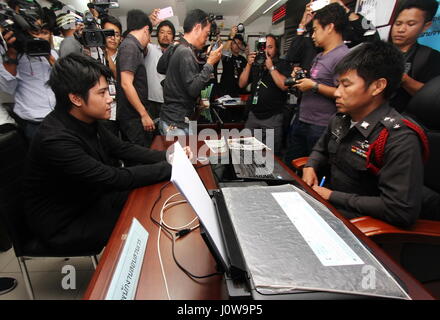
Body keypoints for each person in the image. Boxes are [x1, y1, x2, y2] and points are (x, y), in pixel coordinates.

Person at [23, 53, 191, 252]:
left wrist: (168, 156)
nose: (110, 98)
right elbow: (113, 178)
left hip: (89, 199)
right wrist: (170, 167)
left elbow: (122, 148)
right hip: (64, 222)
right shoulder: (55, 139)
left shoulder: (85, 119)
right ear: (76, 98)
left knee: (152, 199)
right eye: (101, 93)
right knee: (146, 220)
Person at [302, 40, 427, 228]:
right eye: (338, 85)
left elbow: (400, 210)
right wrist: (310, 166)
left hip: (361, 226)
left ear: (377, 86)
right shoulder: (341, 119)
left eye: (346, 85)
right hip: (328, 210)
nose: (337, 93)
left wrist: (331, 196)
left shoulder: (398, 138)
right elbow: (321, 149)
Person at [284, 3, 349, 163]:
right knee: (292, 166)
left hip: (321, 126)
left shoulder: (343, 56)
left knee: (313, 171)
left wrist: (313, 86)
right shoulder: (319, 55)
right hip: (302, 119)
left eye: (315, 29)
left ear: (329, 28)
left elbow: (344, 94)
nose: (312, 35)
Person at [158, 9, 223, 136]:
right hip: (177, 123)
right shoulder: (185, 52)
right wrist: (210, 63)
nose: (206, 39)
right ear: (197, 28)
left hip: (171, 118)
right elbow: (193, 89)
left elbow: (160, 68)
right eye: (206, 33)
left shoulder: (177, 47)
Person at [1, 1, 58, 141]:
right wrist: (13, 56)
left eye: (44, 33)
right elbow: (9, 88)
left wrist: (48, 56)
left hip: (58, 119)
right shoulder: (14, 56)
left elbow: (65, 78)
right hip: (33, 124)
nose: (39, 36)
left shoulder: (53, 54)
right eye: (34, 32)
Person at [238, 35, 290, 154]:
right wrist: (249, 64)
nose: (266, 50)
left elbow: (284, 85)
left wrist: (271, 67)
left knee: (270, 157)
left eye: (270, 47)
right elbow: (241, 84)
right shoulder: (256, 64)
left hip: (272, 118)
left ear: (276, 49)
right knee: (246, 152)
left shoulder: (282, 64)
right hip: (253, 116)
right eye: (263, 47)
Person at [389, 0, 440, 113]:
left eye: (410, 24)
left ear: (426, 26)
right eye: (398, 23)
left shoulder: (431, 57)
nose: (401, 29)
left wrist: (404, 79)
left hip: (404, 123)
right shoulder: (378, 51)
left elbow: (434, 98)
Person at [116, 10, 154, 147]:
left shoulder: (132, 46)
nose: (149, 40)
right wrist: (144, 114)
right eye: (149, 35)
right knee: (139, 158)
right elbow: (126, 84)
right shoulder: (130, 47)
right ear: (146, 30)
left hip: (134, 115)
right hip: (133, 118)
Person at [144, 19, 176, 127]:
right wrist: (149, 22)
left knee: (170, 136)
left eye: (169, 33)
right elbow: (139, 38)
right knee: (152, 135)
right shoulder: (149, 49)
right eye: (162, 32)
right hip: (151, 102)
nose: (165, 35)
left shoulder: (178, 53)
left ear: (173, 37)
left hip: (171, 103)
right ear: (157, 35)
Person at [100, 15, 122, 136]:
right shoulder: (94, 54)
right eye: (109, 34)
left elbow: (119, 78)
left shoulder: (124, 54)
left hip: (121, 110)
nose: (113, 38)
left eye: (117, 35)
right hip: (102, 111)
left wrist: (107, 55)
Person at [218, 26, 248, 98]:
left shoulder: (243, 59)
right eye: (235, 43)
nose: (237, 45)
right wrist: (231, 37)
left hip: (239, 93)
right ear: (231, 45)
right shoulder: (228, 56)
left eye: (239, 43)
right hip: (226, 93)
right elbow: (224, 52)